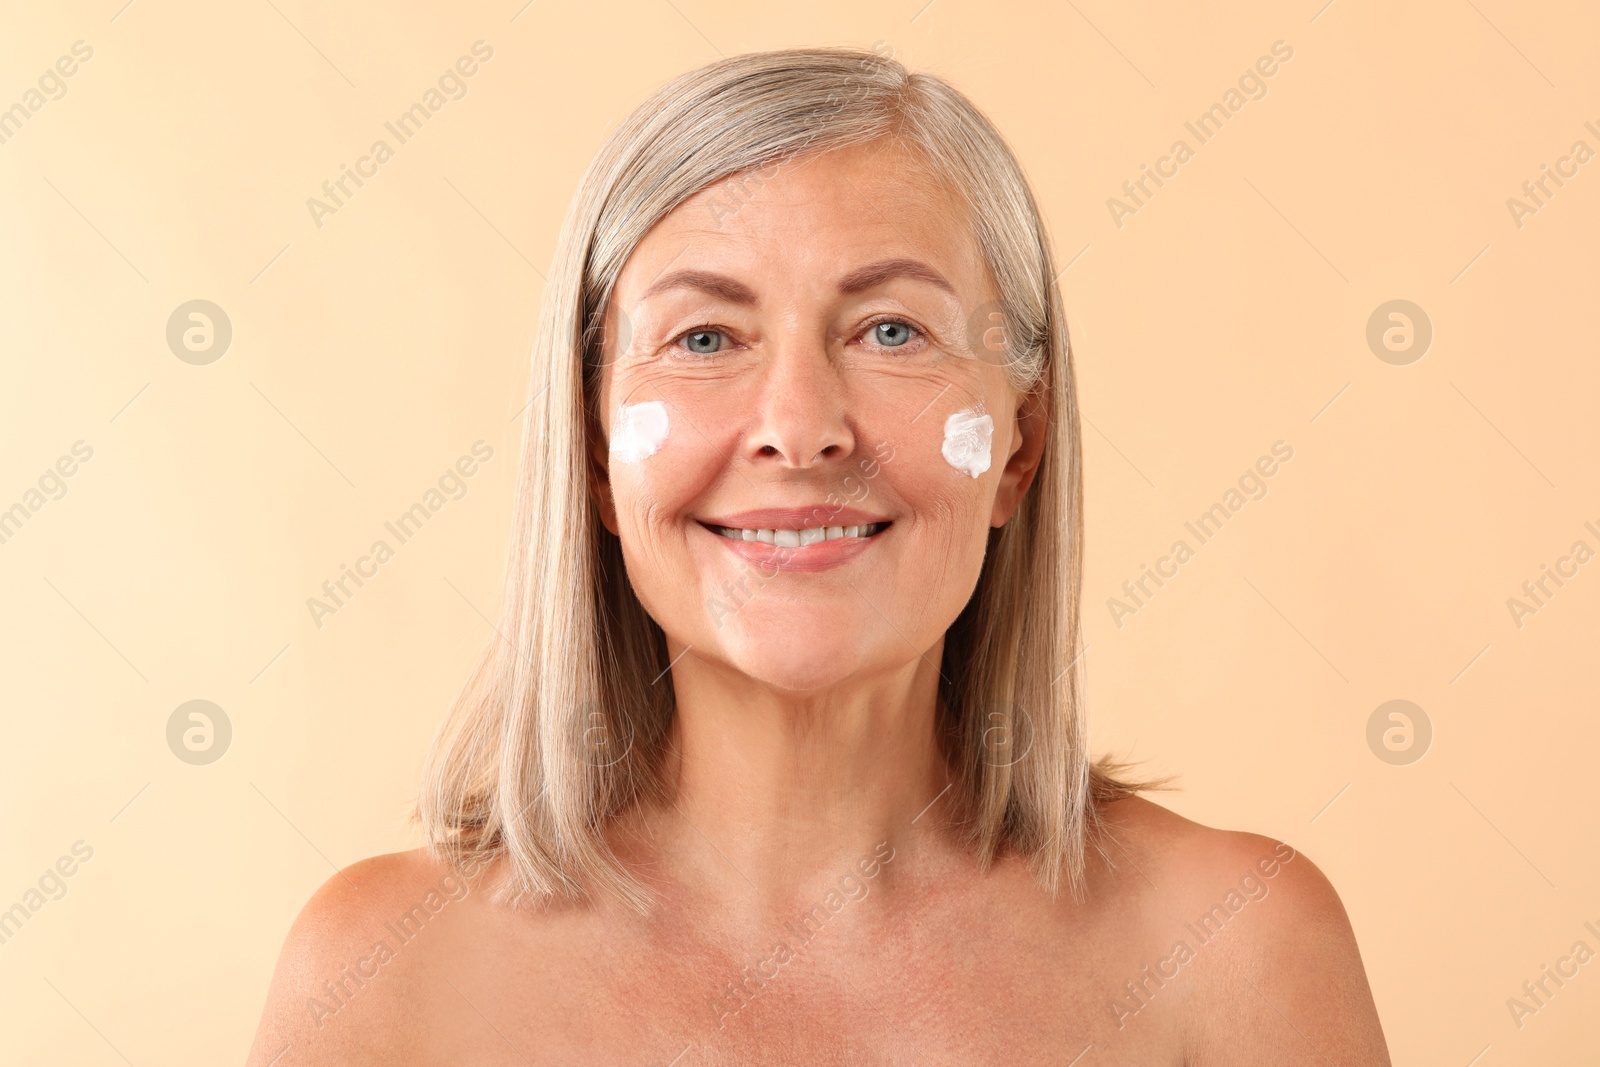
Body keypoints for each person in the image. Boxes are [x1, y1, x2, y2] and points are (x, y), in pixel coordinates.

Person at [248, 46, 1390, 1064]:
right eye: (704, 337)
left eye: (891, 330)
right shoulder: (384, 979)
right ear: (595, 456)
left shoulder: (1235, 946)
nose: (799, 427)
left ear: (1017, 447)